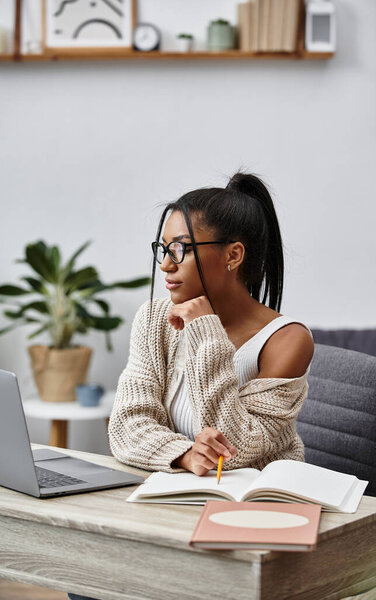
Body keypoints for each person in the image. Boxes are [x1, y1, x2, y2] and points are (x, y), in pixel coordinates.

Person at [68, 171, 314, 600]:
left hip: (248, 523)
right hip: (170, 502)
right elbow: (126, 426)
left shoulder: (287, 340)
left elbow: (239, 448)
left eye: (180, 250)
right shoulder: (154, 319)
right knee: (86, 579)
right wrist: (182, 453)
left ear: (233, 255)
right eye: (163, 249)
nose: (165, 264)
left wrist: (205, 332)